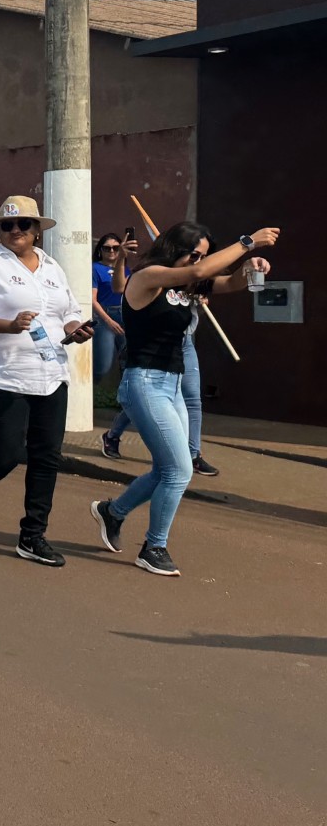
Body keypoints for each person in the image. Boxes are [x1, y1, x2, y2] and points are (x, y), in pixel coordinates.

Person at [90, 223, 277, 577]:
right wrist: (247, 243)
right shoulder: (148, 276)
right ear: (174, 248)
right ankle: (153, 547)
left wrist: (250, 269)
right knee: (179, 470)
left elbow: (226, 282)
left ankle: (112, 512)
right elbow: (200, 272)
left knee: (167, 469)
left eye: (204, 254)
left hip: (172, 384)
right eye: (195, 253)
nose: (200, 260)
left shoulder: (186, 284)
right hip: (144, 382)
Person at [0, 196, 93, 567]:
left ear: (37, 231)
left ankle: (33, 535)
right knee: (6, 454)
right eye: (6, 226)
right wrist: (9, 325)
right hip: (4, 375)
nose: (14, 232)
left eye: (23, 225)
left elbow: (69, 312)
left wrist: (76, 329)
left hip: (51, 373)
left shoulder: (53, 267)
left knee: (46, 457)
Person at [101, 309, 218, 477]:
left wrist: (198, 302)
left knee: (192, 399)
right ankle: (112, 436)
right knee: (143, 397)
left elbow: (194, 311)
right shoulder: (156, 283)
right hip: (156, 340)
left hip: (185, 341)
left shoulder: (188, 284)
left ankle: (193, 454)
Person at [89, 232, 131, 384]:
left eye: (116, 248)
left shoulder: (125, 269)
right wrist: (108, 321)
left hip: (125, 315)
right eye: (107, 248)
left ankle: (126, 404)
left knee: (128, 364)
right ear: (100, 250)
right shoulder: (95, 268)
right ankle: (85, 398)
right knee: (102, 367)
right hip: (105, 316)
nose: (112, 251)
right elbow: (92, 299)